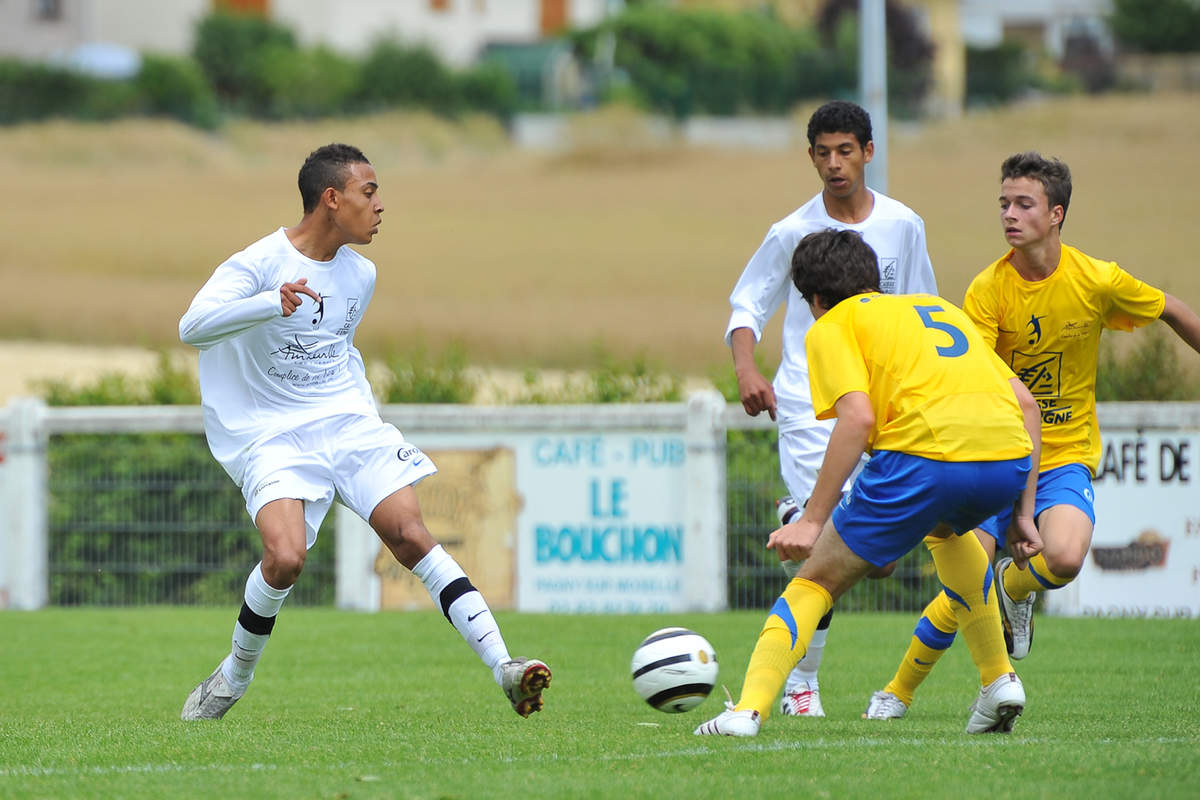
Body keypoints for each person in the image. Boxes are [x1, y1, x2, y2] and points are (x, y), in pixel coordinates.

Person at [177, 143, 551, 720]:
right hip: (274, 434)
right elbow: (192, 326)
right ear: (332, 198)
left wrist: (360, 416)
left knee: (410, 534)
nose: (380, 206)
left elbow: (337, 350)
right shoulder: (256, 264)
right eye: (369, 192)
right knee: (285, 559)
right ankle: (232, 677)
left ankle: (505, 666)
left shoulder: (362, 274)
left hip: (347, 424)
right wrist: (264, 304)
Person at [863, 151, 1200, 720]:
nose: (1009, 215)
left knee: (1064, 558)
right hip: (996, 457)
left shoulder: (1096, 279)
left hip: (1064, 456)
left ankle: (1014, 589)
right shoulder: (988, 291)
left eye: (1024, 204)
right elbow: (973, 380)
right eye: (1004, 203)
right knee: (963, 587)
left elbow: (1172, 308)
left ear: (1057, 213)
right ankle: (896, 692)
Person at [696, 228, 1043, 737]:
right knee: (948, 534)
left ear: (814, 299)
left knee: (816, 579)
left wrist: (811, 519)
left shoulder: (833, 323)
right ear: (873, 279)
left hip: (925, 458)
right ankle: (1000, 680)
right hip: (1008, 457)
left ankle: (746, 711)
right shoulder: (939, 309)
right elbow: (1028, 407)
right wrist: (1022, 514)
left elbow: (856, 419)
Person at [725, 100, 938, 717]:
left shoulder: (904, 225)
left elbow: (923, 308)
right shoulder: (791, 232)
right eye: (823, 152)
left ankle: (995, 662)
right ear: (811, 155)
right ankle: (799, 684)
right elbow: (747, 307)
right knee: (821, 542)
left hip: (891, 405)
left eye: (846, 150)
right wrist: (746, 368)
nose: (834, 163)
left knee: (881, 559)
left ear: (868, 152)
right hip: (810, 405)